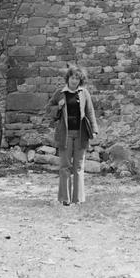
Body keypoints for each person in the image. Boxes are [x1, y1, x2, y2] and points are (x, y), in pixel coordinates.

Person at [47, 65, 98, 205]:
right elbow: (48, 109)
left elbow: (90, 112)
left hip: (81, 134)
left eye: (77, 78)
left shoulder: (84, 93)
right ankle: (65, 199)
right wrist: (58, 106)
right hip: (65, 134)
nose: (74, 80)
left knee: (79, 166)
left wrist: (94, 129)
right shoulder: (60, 93)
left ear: (80, 80)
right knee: (65, 166)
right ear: (68, 78)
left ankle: (78, 199)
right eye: (72, 77)